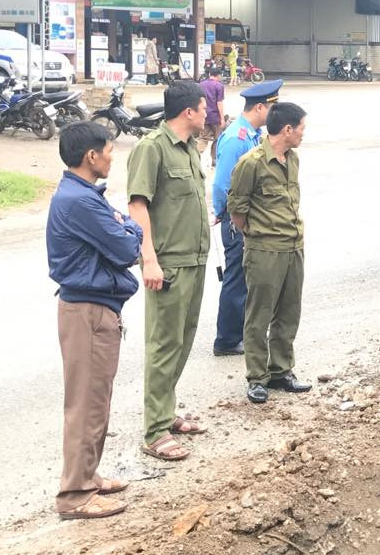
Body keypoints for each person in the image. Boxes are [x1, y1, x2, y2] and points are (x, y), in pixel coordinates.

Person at [46, 122, 144, 520]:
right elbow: (125, 247)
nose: (111, 156)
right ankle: (75, 495)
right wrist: (128, 228)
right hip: (87, 311)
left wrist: (125, 226)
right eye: (108, 150)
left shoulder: (85, 194)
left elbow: (125, 229)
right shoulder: (80, 201)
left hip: (97, 308)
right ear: (91, 156)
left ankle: (89, 476)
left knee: (96, 400)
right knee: (86, 404)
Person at [126, 80, 211, 462]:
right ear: (188, 112)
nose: (208, 112)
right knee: (163, 345)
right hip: (169, 263)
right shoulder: (152, 149)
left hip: (195, 259)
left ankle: (167, 410)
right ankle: (155, 430)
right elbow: (138, 206)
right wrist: (149, 259)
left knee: (183, 340)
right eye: (203, 107)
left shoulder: (190, 148)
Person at [229, 101, 311, 403]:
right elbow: (237, 210)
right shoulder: (251, 163)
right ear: (287, 129)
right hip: (264, 249)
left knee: (289, 312)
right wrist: (256, 235)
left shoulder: (293, 159)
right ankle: (257, 377)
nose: (304, 133)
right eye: (301, 128)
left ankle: (281, 371)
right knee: (259, 314)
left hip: (293, 246)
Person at [210, 80, 282, 357]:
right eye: (273, 107)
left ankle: (238, 332)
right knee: (237, 278)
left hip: (249, 217)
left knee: (246, 277)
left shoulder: (252, 134)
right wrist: (224, 213)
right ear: (260, 107)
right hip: (237, 218)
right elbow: (223, 184)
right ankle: (226, 339)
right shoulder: (237, 138)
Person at [198, 68, 226, 161]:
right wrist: (222, 118)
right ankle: (214, 160)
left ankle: (195, 157)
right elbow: (219, 103)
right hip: (215, 117)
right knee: (217, 139)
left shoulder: (201, 85)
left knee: (203, 138)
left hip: (204, 116)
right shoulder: (219, 86)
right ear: (218, 75)